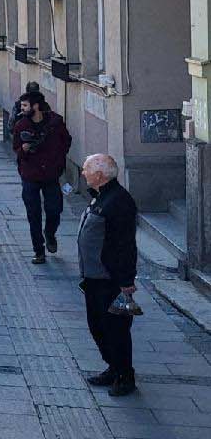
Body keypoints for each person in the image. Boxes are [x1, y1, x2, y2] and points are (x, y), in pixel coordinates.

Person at [78, 154, 139, 397]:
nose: (83, 173)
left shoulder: (118, 202)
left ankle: (125, 376)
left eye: (86, 170)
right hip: (93, 278)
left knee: (116, 329)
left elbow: (124, 245)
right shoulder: (101, 197)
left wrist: (126, 281)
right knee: (98, 326)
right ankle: (113, 367)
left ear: (100, 175)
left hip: (110, 280)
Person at [12, 90, 72, 265]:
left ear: (35, 106)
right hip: (30, 174)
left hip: (51, 174)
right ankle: (38, 250)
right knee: (33, 213)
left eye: (25, 105)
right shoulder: (21, 125)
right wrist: (22, 149)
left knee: (55, 209)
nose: (22, 109)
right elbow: (16, 148)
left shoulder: (55, 122)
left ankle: (50, 234)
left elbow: (66, 141)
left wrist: (58, 158)